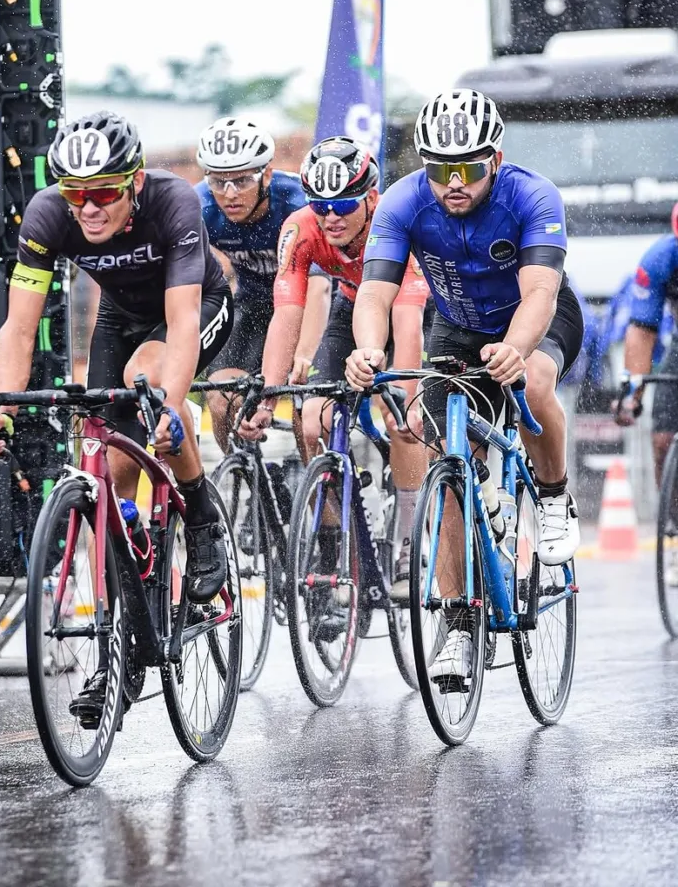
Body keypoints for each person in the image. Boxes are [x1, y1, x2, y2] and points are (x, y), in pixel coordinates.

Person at [0, 111, 234, 721]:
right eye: (76, 194)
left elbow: (182, 324)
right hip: (119, 319)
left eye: (102, 194)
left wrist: (172, 409)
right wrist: (1, 409)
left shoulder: (171, 204)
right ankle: (123, 650)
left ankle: (199, 517)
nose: (87, 209)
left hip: (192, 312)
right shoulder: (47, 216)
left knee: (148, 389)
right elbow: (18, 325)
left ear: (134, 183)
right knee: (110, 472)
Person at [347, 88, 584, 687]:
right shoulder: (402, 202)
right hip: (456, 325)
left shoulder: (532, 195)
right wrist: (368, 348)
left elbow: (539, 294)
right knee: (449, 466)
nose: (454, 183)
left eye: (468, 169)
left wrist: (517, 347)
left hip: (536, 315)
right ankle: (457, 623)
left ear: (495, 160)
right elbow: (374, 293)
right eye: (438, 170)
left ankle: (553, 495)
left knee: (530, 384)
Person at [239, 136, 429, 594]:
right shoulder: (302, 228)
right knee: (311, 422)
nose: (331, 218)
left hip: (412, 309)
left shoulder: (395, 223)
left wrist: (405, 397)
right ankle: (330, 537)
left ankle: (408, 540)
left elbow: (406, 322)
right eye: (321, 205)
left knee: (404, 421)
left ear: (370, 198)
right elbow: (288, 311)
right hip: (351, 307)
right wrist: (267, 392)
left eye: (343, 205)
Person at [195, 116, 331, 451]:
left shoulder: (297, 204)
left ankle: (313, 494)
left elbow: (318, 287)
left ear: (266, 175)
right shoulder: (201, 205)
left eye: (241, 181)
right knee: (219, 397)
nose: (229, 194)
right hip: (255, 303)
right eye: (218, 181)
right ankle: (244, 481)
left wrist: (304, 353)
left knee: (305, 408)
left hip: (308, 304)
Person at [616, 201, 678, 489]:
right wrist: (633, 393)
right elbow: (642, 329)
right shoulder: (660, 259)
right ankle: (674, 524)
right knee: (663, 440)